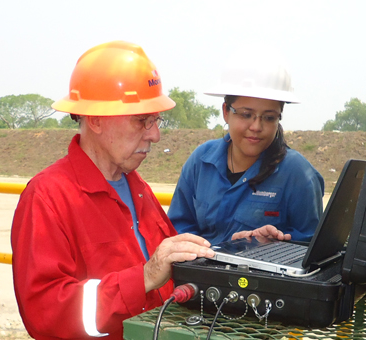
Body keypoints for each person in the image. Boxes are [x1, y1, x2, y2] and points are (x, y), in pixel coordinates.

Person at [11, 41, 214, 340]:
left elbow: (169, 280)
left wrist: (233, 255)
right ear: (95, 119)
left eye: (156, 120)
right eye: (142, 120)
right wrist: (142, 278)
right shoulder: (48, 198)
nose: (155, 135)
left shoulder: (137, 187)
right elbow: (45, 316)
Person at [168, 58, 324, 245]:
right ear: (226, 111)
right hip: (200, 271)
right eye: (246, 115)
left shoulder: (296, 173)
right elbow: (178, 228)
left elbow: (311, 245)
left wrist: (270, 245)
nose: (256, 126)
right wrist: (219, 250)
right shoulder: (201, 162)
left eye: (268, 117)